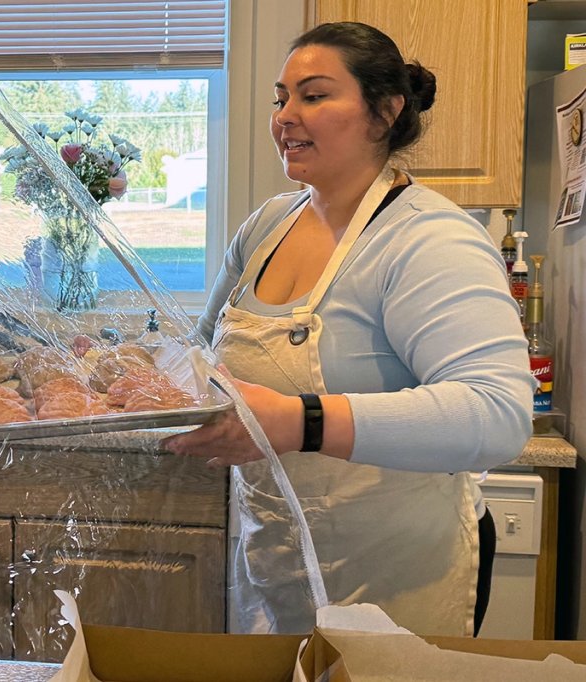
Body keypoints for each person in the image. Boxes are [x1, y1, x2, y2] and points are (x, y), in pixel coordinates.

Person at [161, 21, 533, 637]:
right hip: (278, 561)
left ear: (384, 113)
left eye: (313, 95)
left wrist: (299, 421)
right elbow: (200, 359)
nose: (284, 116)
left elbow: (497, 414)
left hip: (397, 574)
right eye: (281, 98)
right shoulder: (266, 227)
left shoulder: (427, 239)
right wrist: (122, 368)